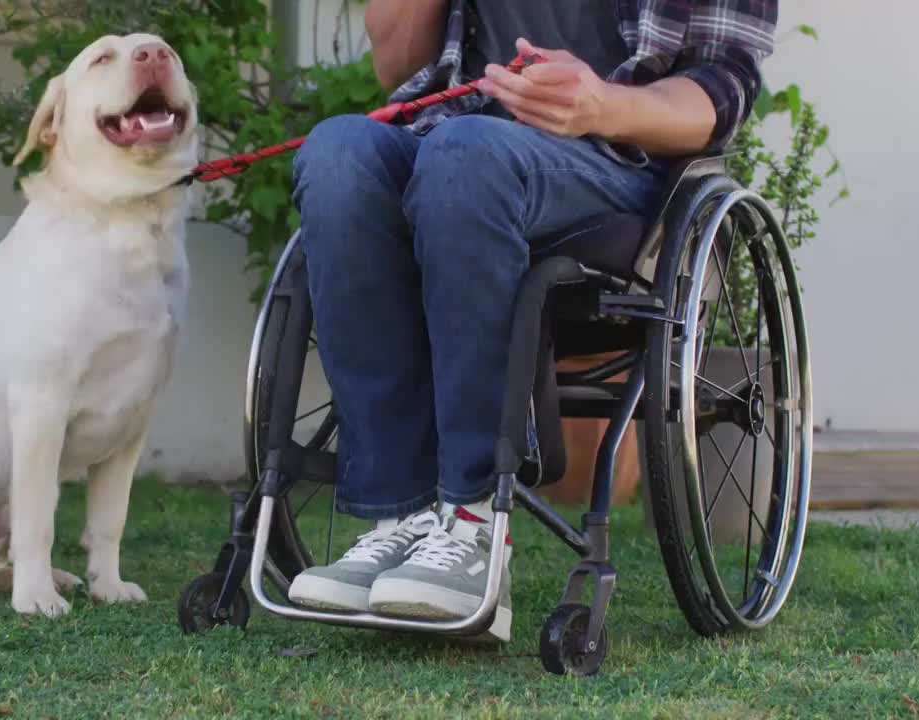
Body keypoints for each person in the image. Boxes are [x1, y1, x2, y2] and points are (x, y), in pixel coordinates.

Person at [285, 0, 778, 642]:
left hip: (614, 163)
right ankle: (397, 517)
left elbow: (723, 90)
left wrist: (602, 104)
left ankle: (473, 518)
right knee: (337, 154)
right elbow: (399, 65)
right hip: (451, 142)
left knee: (469, 157)